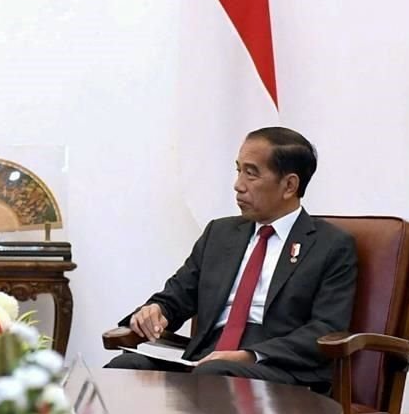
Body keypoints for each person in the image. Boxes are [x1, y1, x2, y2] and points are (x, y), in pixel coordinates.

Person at [106, 127, 357, 391]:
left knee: (215, 373)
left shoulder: (331, 246)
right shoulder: (220, 233)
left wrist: (250, 355)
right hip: (205, 360)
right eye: (238, 170)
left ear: (289, 185)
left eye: (251, 173)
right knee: (126, 368)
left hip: (276, 370)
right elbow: (178, 295)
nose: (238, 185)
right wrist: (157, 310)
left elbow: (325, 329)